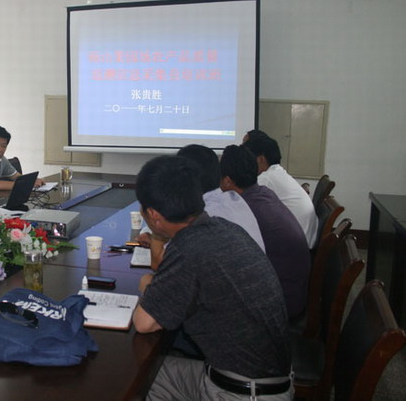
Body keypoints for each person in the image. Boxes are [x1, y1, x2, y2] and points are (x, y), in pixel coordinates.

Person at [132, 155, 292, 401]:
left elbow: (144, 323)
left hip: (243, 393)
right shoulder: (225, 228)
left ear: (153, 215)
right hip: (263, 378)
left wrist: (147, 283)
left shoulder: (187, 248)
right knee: (147, 377)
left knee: (133, 380)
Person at [136, 144, 266, 269]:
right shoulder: (232, 198)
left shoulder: (202, 214)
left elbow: (160, 264)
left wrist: (156, 232)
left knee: (146, 280)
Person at [220, 144, 310, 319]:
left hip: (281, 303)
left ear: (227, 181)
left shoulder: (245, 210)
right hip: (291, 290)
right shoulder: (263, 193)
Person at [243, 135, 319, 248]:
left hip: (295, 246)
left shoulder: (266, 178)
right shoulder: (277, 173)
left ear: (261, 159)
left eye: (249, 159)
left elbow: (241, 204)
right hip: (305, 241)